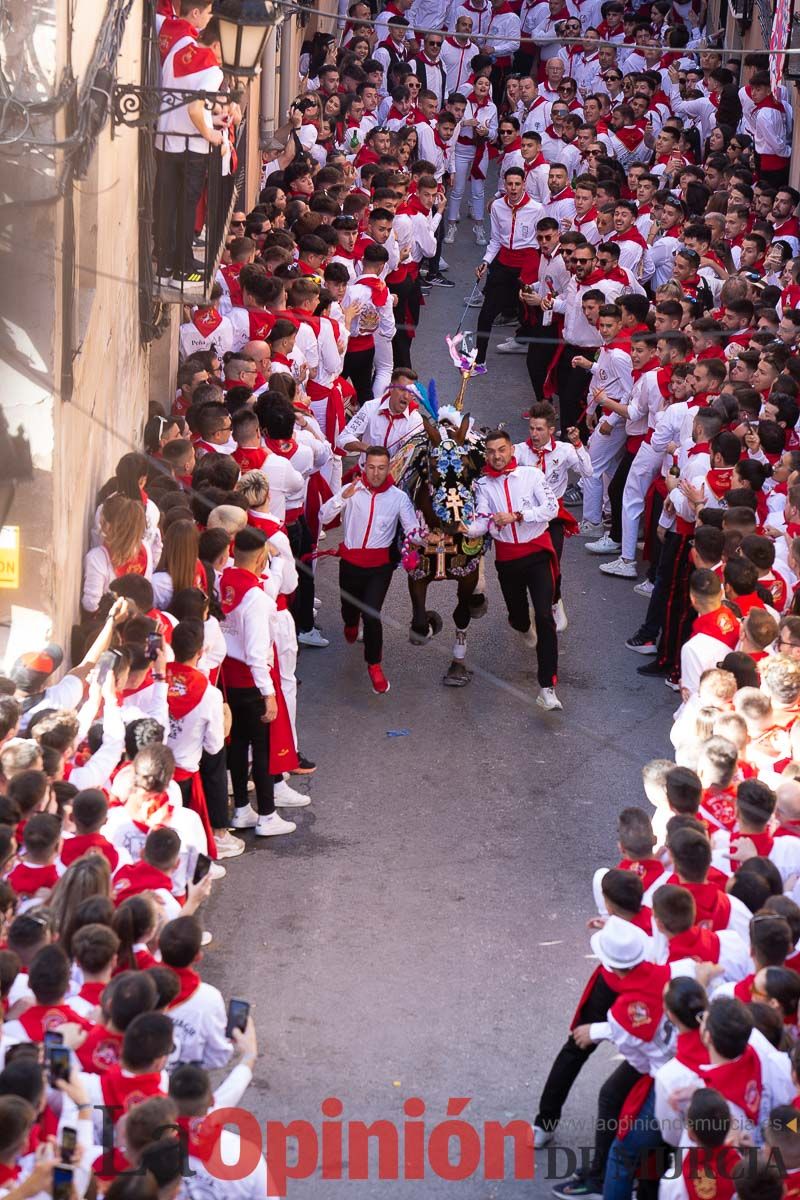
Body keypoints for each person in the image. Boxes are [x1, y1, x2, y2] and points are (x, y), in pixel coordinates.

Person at [465, 430, 561, 710]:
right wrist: (461, 528)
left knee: (544, 617)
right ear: (486, 455)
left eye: (502, 449)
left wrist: (519, 516)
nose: (497, 456)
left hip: (538, 554)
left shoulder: (531, 475)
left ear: (511, 451)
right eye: (492, 451)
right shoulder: (482, 485)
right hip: (508, 561)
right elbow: (481, 521)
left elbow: (551, 508)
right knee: (520, 620)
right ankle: (521, 623)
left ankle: (547, 687)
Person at [318, 446, 418, 694]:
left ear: (389, 468)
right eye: (371, 467)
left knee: (371, 614)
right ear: (364, 467)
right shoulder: (351, 491)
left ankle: (374, 664)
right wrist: (343, 497)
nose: (375, 473)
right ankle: (350, 623)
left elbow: (413, 530)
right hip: (350, 564)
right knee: (349, 611)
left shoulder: (398, 498)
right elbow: (323, 514)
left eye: (381, 468)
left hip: (379, 568)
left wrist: (427, 538)